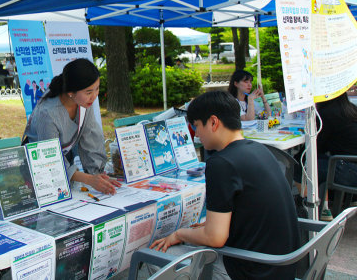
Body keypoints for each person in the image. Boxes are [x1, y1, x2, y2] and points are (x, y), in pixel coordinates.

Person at [147, 91, 300, 280]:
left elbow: (215, 238)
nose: (196, 136)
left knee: (155, 256)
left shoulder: (221, 163)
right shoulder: (259, 149)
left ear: (213, 122)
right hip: (280, 267)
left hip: (251, 271)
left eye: (196, 126)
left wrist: (179, 234)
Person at [23, 58, 121, 195]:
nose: (94, 96)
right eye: (89, 92)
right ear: (70, 91)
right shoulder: (48, 113)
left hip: (63, 165)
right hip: (39, 169)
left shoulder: (84, 102)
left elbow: (91, 136)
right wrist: (90, 180)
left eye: (97, 88)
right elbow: (51, 160)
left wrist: (98, 175)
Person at [294, 91, 357, 221]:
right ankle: (349, 200)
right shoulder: (351, 109)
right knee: (318, 162)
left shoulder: (327, 114)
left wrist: (297, 156)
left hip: (349, 170)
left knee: (300, 164)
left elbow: (314, 148)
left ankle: (317, 210)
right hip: (352, 166)